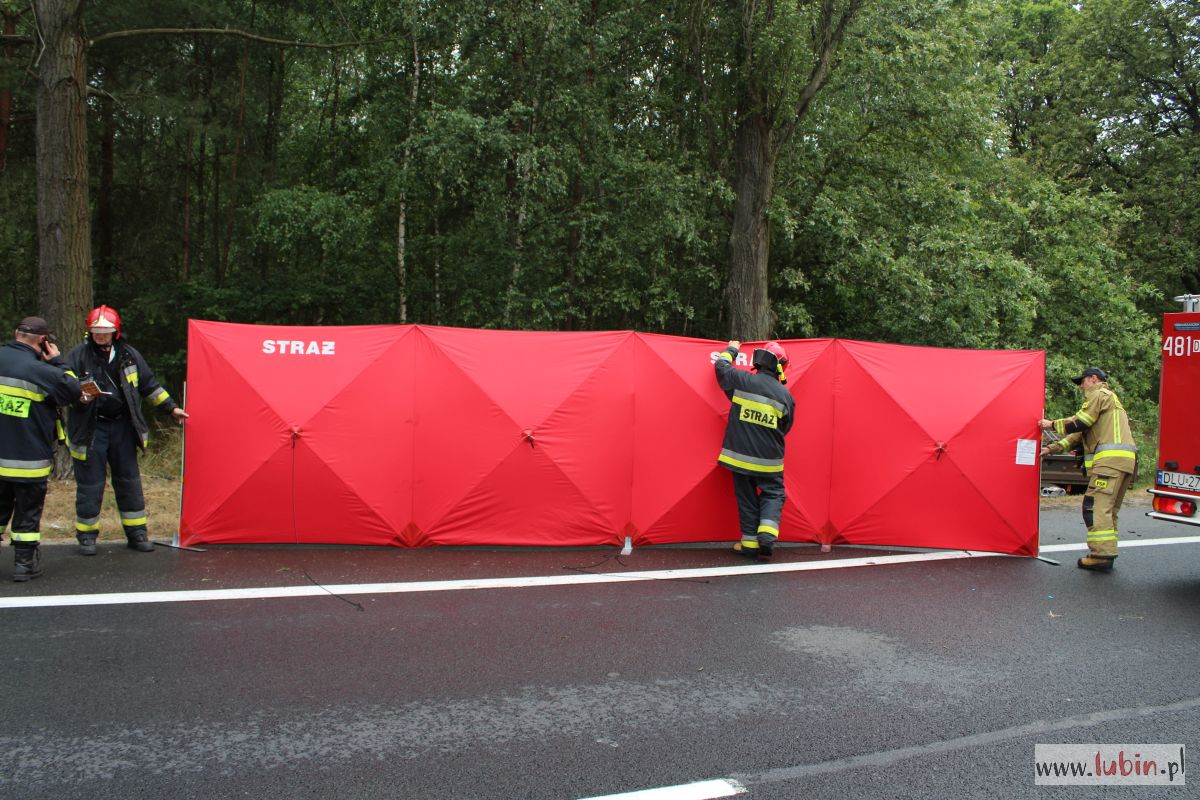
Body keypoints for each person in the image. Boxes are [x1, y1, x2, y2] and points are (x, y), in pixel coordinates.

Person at [65, 305, 187, 555]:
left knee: (129, 481)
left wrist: (171, 408)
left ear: (115, 332)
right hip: (91, 428)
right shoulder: (77, 356)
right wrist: (76, 395)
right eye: (96, 332)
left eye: (106, 332)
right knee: (90, 484)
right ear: (89, 332)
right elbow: (62, 386)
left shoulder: (129, 356)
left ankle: (137, 533)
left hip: (122, 426)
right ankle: (87, 537)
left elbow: (149, 386)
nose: (101, 336)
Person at [0, 317, 84, 581]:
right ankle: (24, 565)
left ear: (16, 334)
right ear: (43, 341)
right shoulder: (43, 372)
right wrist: (59, 361)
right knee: (27, 512)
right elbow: (73, 389)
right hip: (28, 460)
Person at [1039, 366, 1137, 571]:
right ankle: (1105, 551)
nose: (1081, 386)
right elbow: (1079, 434)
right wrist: (1053, 448)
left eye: (1082, 381)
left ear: (1093, 379)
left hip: (1110, 463)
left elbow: (1080, 422)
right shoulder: (1109, 401)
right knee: (1108, 510)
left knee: (1094, 507)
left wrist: (1051, 424)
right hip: (1123, 462)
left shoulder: (1100, 394)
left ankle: (1101, 556)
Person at [714, 340, 795, 559]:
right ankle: (766, 538)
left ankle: (749, 543)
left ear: (758, 361)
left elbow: (721, 367)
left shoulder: (742, 380)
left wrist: (732, 349)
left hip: (738, 457)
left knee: (746, 496)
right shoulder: (785, 396)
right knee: (773, 493)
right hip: (769, 460)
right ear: (781, 366)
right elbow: (785, 427)